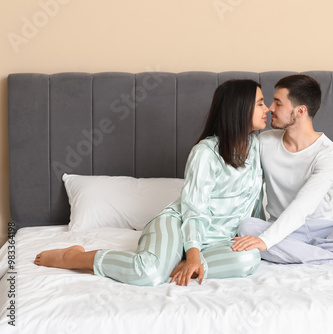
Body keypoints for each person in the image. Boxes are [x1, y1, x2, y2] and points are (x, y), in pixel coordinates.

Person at [34, 79, 269, 286]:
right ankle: (73, 257)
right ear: (240, 108)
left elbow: (254, 205)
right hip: (179, 225)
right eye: (260, 103)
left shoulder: (258, 147)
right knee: (148, 273)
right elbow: (193, 210)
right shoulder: (206, 152)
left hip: (219, 240)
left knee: (249, 257)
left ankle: (175, 263)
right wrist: (194, 253)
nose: (267, 108)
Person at [231, 74, 333, 265]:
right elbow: (238, 178)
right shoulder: (264, 142)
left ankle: (300, 254)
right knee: (246, 227)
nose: (270, 108)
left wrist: (266, 241)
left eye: (278, 103)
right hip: (286, 230)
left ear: (300, 111)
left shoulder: (328, 155)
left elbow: (303, 205)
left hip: (328, 229)